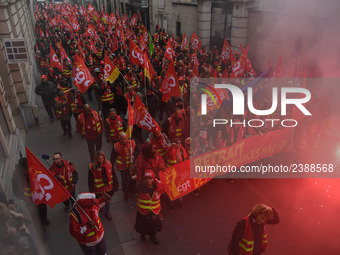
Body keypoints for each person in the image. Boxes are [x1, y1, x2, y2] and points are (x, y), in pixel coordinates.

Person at [135, 170, 164, 244]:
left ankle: (153, 237)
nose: (148, 180)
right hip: (143, 211)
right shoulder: (140, 187)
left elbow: (163, 193)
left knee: (153, 226)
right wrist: (132, 181)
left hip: (155, 211)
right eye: (146, 178)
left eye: (150, 178)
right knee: (143, 225)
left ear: (153, 179)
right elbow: (131, 190)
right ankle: (143, 235)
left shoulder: (158, 186)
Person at [88, 151, 115, 220]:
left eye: (102, 158)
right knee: (100, 201)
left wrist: (116, 185)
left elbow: (113, 174)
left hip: (108, 188)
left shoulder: (108, 164)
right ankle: (101, 208)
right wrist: (91, 191)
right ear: (96, 159)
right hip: (98, 190)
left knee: (108, 201)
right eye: (99, 159)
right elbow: (90, 180)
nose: (101, 160)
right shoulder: (92, 168)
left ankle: (107, 212)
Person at [111, 132, 137, 201]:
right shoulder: (116, 146)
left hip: (131, 166)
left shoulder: (132, 143)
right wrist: (111, 166)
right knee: (124, 181)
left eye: (125, 139)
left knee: (132, 179)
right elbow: (112, 157)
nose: (124, 141)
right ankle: (126, 193)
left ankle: (132, 191)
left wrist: (134, 155)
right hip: (122, 166)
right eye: (122, 139)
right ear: (120, 139)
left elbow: (138, 151)